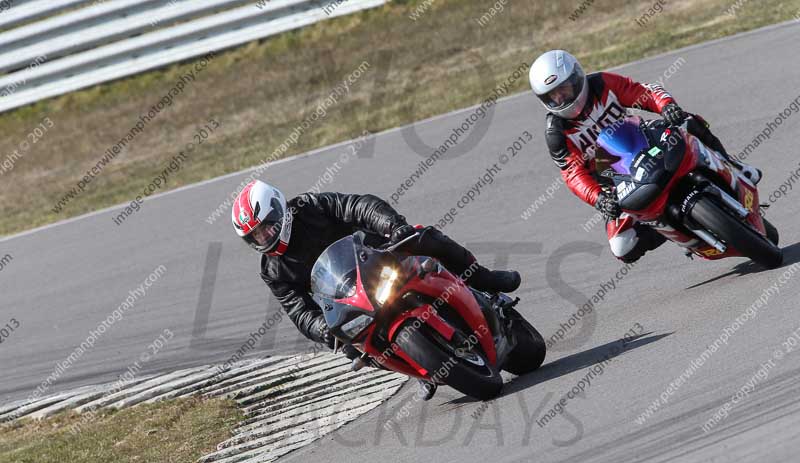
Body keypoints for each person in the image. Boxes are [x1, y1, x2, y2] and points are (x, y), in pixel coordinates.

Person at [231, 180, 521, 398]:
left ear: (280, 212)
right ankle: (416, 364)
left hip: (377, 256)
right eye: (255, 235)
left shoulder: (310, 206)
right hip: (347, 298)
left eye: (266, 227)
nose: (264, 237)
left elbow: (357, 206)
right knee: (352, 349)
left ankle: (482, 278)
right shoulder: (272, 270)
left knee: (424, 237)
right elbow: (297, 310)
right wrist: (322, 330)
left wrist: (393, 226)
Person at [528, 50, 762, 263]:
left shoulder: (601, 83)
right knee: (622, 247)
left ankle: (732, 164)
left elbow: (642, 92)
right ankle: (670, 229)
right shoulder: (556, 132)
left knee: (689, 122)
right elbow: (572, 174)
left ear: (576, 78)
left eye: (564, 89)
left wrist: (666, 106)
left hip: (643, 140)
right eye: (553, 96)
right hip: (614, 178)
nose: (561, 98)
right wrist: (598, 198)